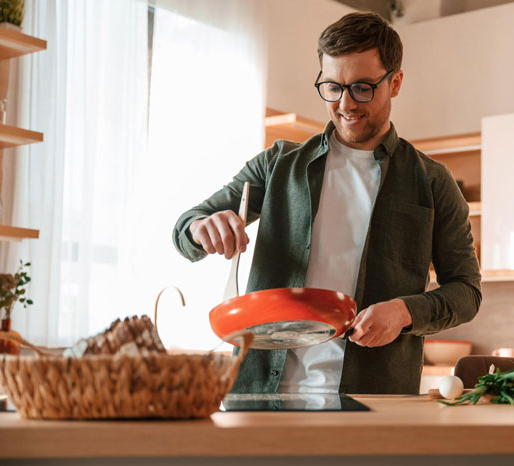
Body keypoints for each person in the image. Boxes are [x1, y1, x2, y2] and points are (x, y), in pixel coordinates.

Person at [173, 12, 481, 394]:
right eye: (333, 87)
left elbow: (467, 292)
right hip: (261, 395)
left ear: (395, 82)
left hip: (371, 397)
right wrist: (200, 229)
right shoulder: (276, 165)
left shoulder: (432, 181)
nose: (346, 103)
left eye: (363, 87)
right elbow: (187, 226)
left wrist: (405, 312)